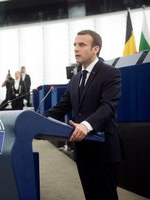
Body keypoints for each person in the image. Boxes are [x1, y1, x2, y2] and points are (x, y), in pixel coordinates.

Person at [43, 30, 123, 200]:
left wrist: (86, 125)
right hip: (83, 149)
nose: (76, 49)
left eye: (82, 45)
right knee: (91, 195)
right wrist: (35, 120)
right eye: (74, 45)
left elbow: (108, 106)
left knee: (105, 196)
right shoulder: (75, 79)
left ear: (96, 49)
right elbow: (60, 108)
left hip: (103, 148)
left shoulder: (110, 73)